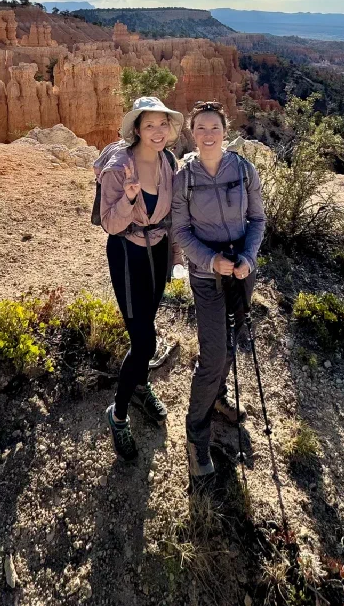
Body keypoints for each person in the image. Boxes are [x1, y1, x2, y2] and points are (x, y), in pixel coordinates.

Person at [171, 100, 266, 478]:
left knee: (232, 343)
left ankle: (218, 396)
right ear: (192, 134)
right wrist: (213, 261)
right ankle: (197, 434)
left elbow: (257, 219)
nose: (208, 135)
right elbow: (180, 232)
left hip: (242, 273)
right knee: (214, 353)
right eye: (201, 129)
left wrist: (248, 259)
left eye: (214, 128)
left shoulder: (243, 170)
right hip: (207, 277)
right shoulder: (184, 178)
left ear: (225, 132)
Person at [97, 96, 184, 461]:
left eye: (163, 124)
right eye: (149, 125)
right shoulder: (119, 168)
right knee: (144, 342)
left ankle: (141, 385)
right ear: (137, 129)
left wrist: (176, 258)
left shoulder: (168, 161)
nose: (158, 131)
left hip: (158, 252)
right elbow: (110, 223)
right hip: (129, 253)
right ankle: (117, 415)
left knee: (147, 325)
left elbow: (172, 215)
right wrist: (130, 197)